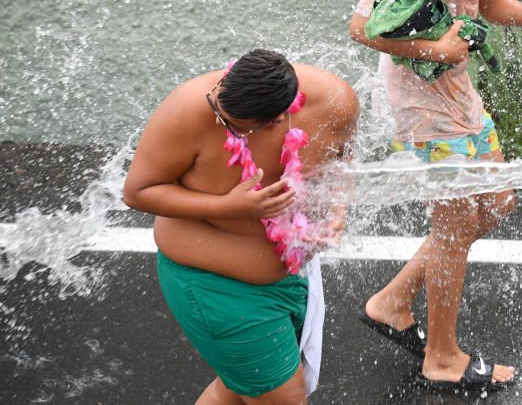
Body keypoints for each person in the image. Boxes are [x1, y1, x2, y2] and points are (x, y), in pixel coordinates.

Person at [348, 0, 522, 392]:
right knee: (455, 222)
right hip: (415, 102)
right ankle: (441, 357)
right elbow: (359, 27)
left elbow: (489, 2)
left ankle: (393, 302)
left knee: (494, 202)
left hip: (456, 91)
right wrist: (435, 49)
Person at [123, 49, 359, 404]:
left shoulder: (334, 103)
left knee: (233, 391)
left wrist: (336, 211)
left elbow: (344, 161)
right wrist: (229, 206)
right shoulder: (191, 108)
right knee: (284, 398)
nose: (218, 119)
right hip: (212, 287)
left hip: (293, 279)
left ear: (277, 119)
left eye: (233, 123)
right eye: (218, 106)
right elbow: (137, 191)